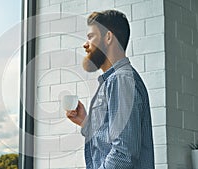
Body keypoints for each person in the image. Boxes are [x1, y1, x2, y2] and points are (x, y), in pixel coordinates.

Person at [66, 10, 155, 168]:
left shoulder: (120, 80)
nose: (85, 44)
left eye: (91, 36)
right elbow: (112, 138)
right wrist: (85, 122)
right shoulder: (116, 80)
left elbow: (123, 154)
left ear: (108, 37)